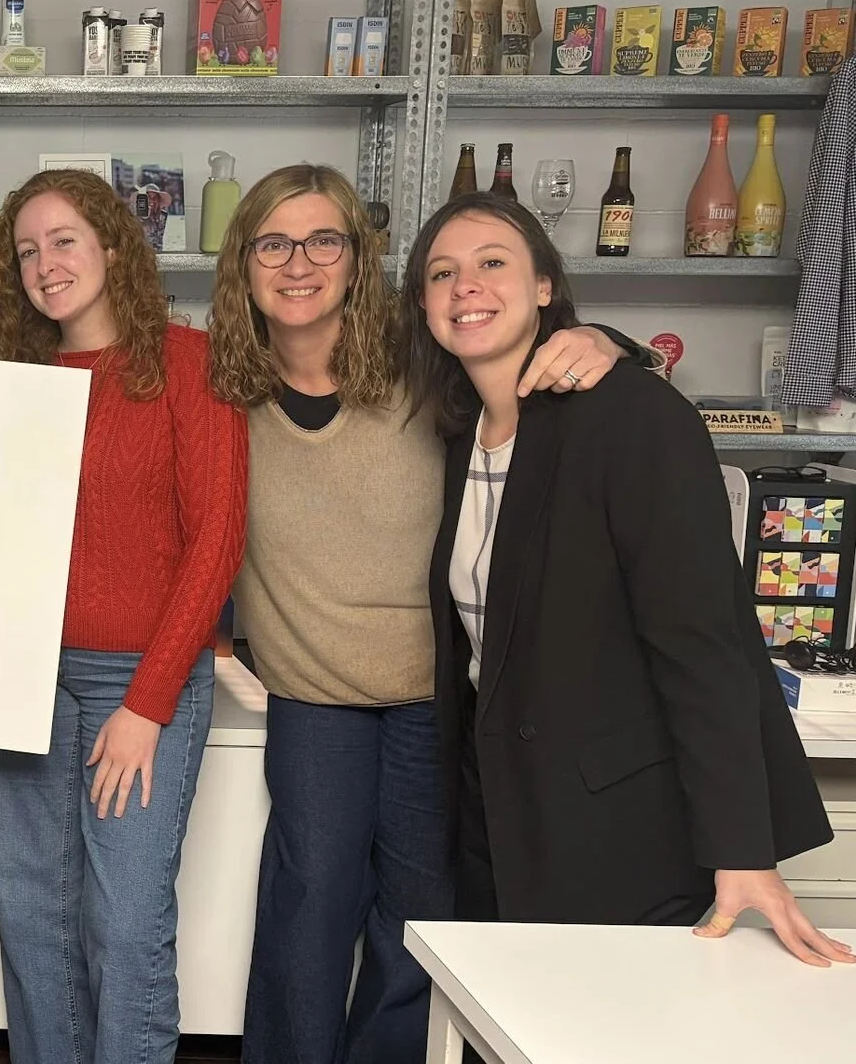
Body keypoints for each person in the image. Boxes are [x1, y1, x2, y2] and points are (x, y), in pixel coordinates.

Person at [206, 164, 642, 1064]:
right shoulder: (219, 385)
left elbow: (526, 350)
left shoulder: (423, 361)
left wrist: (605, 340)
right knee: (309, 900)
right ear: (242, 263)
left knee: (419, 909)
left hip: (440, 694)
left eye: (323, 240)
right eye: (273, 243)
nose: (299, 263)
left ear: (359, 259)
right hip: (312, 694)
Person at [402, 191, 851, 966]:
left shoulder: (633, 416)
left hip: (619, 821)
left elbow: (701, 643)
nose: (465, 286)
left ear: (545, 285)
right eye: (442, 273)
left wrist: (742, 850)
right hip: (498, 805)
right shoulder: (458, 432)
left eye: (492, 263)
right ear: (424, 305)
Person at [0, 168, 246, 1064]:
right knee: (33, 917)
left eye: (64, 241)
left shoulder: (188, 364)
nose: (45, 265)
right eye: (26, 252)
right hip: (28, 679)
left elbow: (216, 542)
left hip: (140, 680)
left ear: (114, 248)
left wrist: (146, 704)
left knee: (125, 925)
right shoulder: (15, 382)